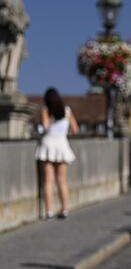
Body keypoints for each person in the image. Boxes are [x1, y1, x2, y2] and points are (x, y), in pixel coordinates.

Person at [35, 87, 79, 219]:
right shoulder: (67, 111)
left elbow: (45, 126)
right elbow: (75, 129)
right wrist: (64, 133)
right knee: (62, 180)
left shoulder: (46, 110)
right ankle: (64, 209)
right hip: (62, 144)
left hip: (48, 144)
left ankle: (49, 211)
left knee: (48, 181)